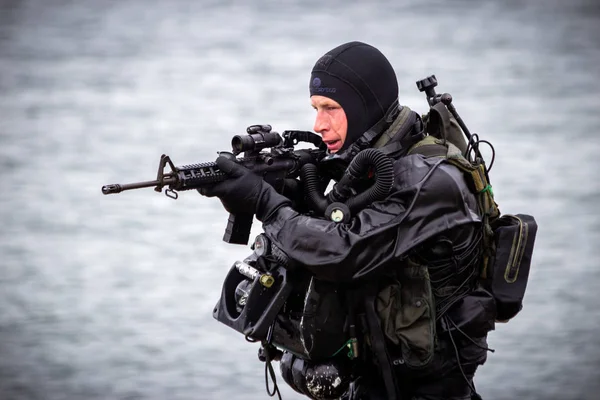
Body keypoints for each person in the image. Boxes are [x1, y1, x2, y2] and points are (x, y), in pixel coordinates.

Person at [200, 41, 497, 400]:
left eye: (330, 108)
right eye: (315, 108)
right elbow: (330, 223)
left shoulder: (428, 180)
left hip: (429, 387)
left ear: (364, 108)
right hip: (373, 376)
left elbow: (342, 251)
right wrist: (283, 191)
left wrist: (266, 203)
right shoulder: (373, 154)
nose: (318, 124)